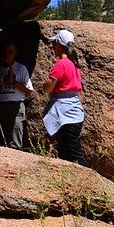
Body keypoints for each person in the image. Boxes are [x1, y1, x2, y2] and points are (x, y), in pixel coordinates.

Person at [42, 28, 89, 167]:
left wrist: (46, 84)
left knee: (72, 152)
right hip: (74, 111)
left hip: (65, 114)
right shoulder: (74, 64)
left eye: (54, 43)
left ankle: (88, 179)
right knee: (66, 150)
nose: (52, 46)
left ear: (58, 44)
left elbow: (47, 88)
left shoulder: (61, 64)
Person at [0, 39, 34, 149]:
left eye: (10, 52)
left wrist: (13, 83)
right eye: (5, 52)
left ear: (15, 53)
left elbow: (29, 91)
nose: (7, 55)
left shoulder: (21, 68)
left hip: (16, 106)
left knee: (15, 138)